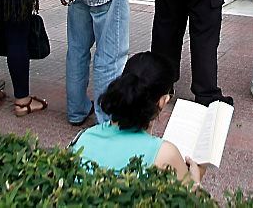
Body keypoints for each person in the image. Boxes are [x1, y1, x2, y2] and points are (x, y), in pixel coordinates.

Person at [71, 52, 205, 187]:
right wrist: (196, 180)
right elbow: (190, 201)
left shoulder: (84, 138)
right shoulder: (165, 153)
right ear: (162, 101)